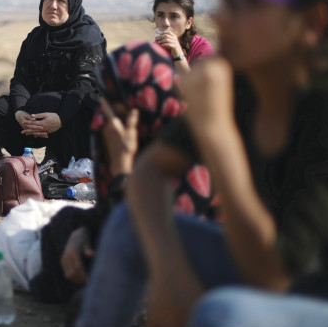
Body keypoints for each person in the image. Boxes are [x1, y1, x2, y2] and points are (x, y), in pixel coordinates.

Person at [68, 0, 328, 327]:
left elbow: (275, 275)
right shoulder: (245, 79)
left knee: (221, 318)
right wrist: (172, 274)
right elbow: (151, 171)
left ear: (311, 22)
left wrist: (217, 133)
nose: (223, 14)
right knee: (125, 223)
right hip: (272, 265)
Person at [29, 41, 216, 305]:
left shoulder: (186, 152)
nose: (110, 120)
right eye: (109, 103)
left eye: (127, 105)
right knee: (65, 224)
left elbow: (157, 236)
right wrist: (85, 232)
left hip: (178, 267)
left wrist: (122, 170)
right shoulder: (114, 132)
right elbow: (112, 213)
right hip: (132, 233)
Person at [0, 0, 107, 167]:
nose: (53, 5)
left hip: (76, 116)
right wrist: (19, 112)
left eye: (61, 1)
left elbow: (84, 85)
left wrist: (60, 118)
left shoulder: (87, 38)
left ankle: (61, 160)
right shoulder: (35, 39)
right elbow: (21, 80)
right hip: (38, 119)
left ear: (73, 5)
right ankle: (26, 163)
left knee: (49, 101)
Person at [153, 0, 214, 73]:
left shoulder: (201, 48)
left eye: (173, 16)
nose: (166, 23)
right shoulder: (151, 51)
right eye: (160, 15)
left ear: (188, 23)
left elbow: (196, 86)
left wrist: (178, 54)